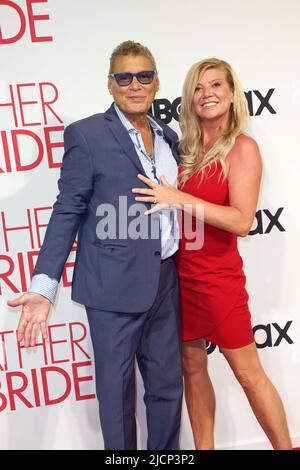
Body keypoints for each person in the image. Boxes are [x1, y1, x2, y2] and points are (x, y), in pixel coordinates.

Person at [7, 41, 183, 450]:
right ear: (110, 84)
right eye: (124, 77)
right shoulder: (85, 135)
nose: (134, 85)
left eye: (143, 75)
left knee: (167, 390)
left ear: (156, 81)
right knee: (117, 398)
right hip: (111, 290)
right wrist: (45, 282)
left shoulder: (168, 135)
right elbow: (68, 209)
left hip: (165, 281)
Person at [132, 58, 292, 450]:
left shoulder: (243, 148)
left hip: (219, 280)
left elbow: (241, 220)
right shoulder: (182, 149)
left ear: (232, 94)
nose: (207, 95)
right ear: (190, 98)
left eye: (216, 85)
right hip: (178, 278)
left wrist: (177, 197)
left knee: (248, 373)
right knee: (192, 368)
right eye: (199, 88)